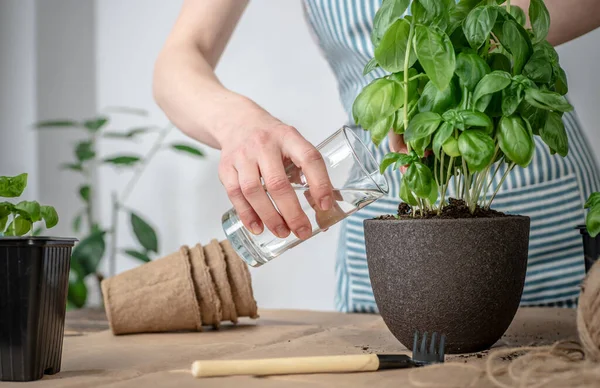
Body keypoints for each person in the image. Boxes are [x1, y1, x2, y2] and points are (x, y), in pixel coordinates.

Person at [153, 0, 600, 312]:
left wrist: (480, 31)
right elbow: (178, 60)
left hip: (551, 228)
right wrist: (238, 123)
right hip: (386, 233)